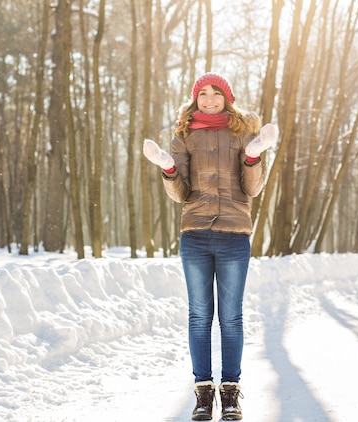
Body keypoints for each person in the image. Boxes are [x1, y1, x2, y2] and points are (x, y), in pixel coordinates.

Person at [143, 72, 277, 421]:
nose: (209, 98)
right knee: (200, 316)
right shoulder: (184, 135)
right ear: (195, 98)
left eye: (216, 93)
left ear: (227, 98)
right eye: (203, 93)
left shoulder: (242, 132)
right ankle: (203, 393)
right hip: (196, 234)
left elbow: (252, 189)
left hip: (234, 234)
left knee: (230, 318)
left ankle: (230, 394)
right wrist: (169, 168)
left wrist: (252, 155)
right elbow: (181, 194)